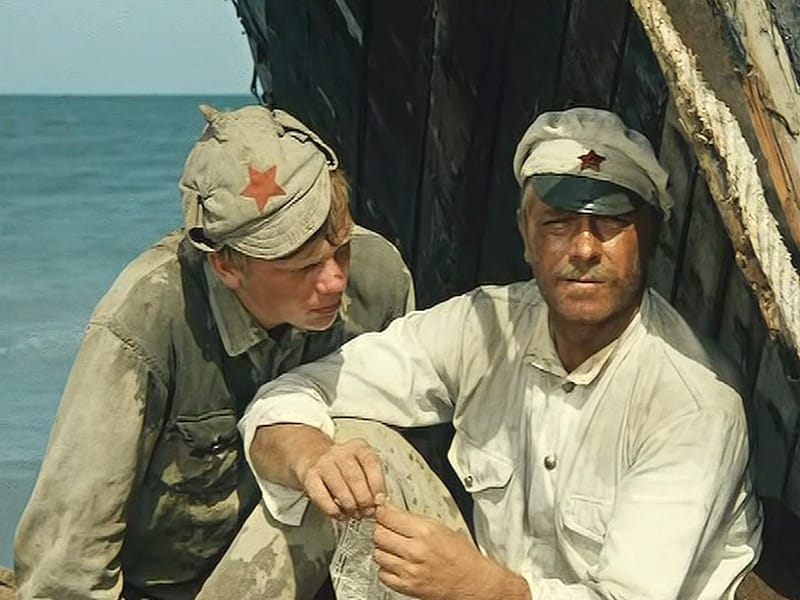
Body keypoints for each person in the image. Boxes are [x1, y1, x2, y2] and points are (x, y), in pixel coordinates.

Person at [240, 107, 764, 599]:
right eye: (558, 224)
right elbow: (290, 394)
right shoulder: (484, 326)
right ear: (526, 236)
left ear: (649, 239)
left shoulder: (693, 403)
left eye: (610, 225)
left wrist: (484, 587)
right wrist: (310, 457)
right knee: (341, 457)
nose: (584, 249)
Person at [13, 103, 424, 599]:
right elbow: (68, 561)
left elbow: (413, 474)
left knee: (359, 445)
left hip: (320, 576)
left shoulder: (378, 279)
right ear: (227, 267)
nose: (335, 280)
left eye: (341, 247)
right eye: (303, 267)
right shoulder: (145, 321)